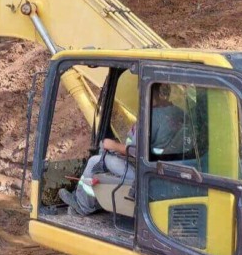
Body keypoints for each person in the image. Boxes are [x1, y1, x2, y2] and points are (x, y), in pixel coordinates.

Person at [59, 83, 184, 216]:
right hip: (162, 171)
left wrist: (112, 146)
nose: (142, 97)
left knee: (95, 161)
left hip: (143, 173)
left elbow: (137, 152)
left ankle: (83, 205)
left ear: (159, 94)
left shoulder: (151, 118)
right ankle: (97, 200)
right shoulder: (179, 113)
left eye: (145, 92)